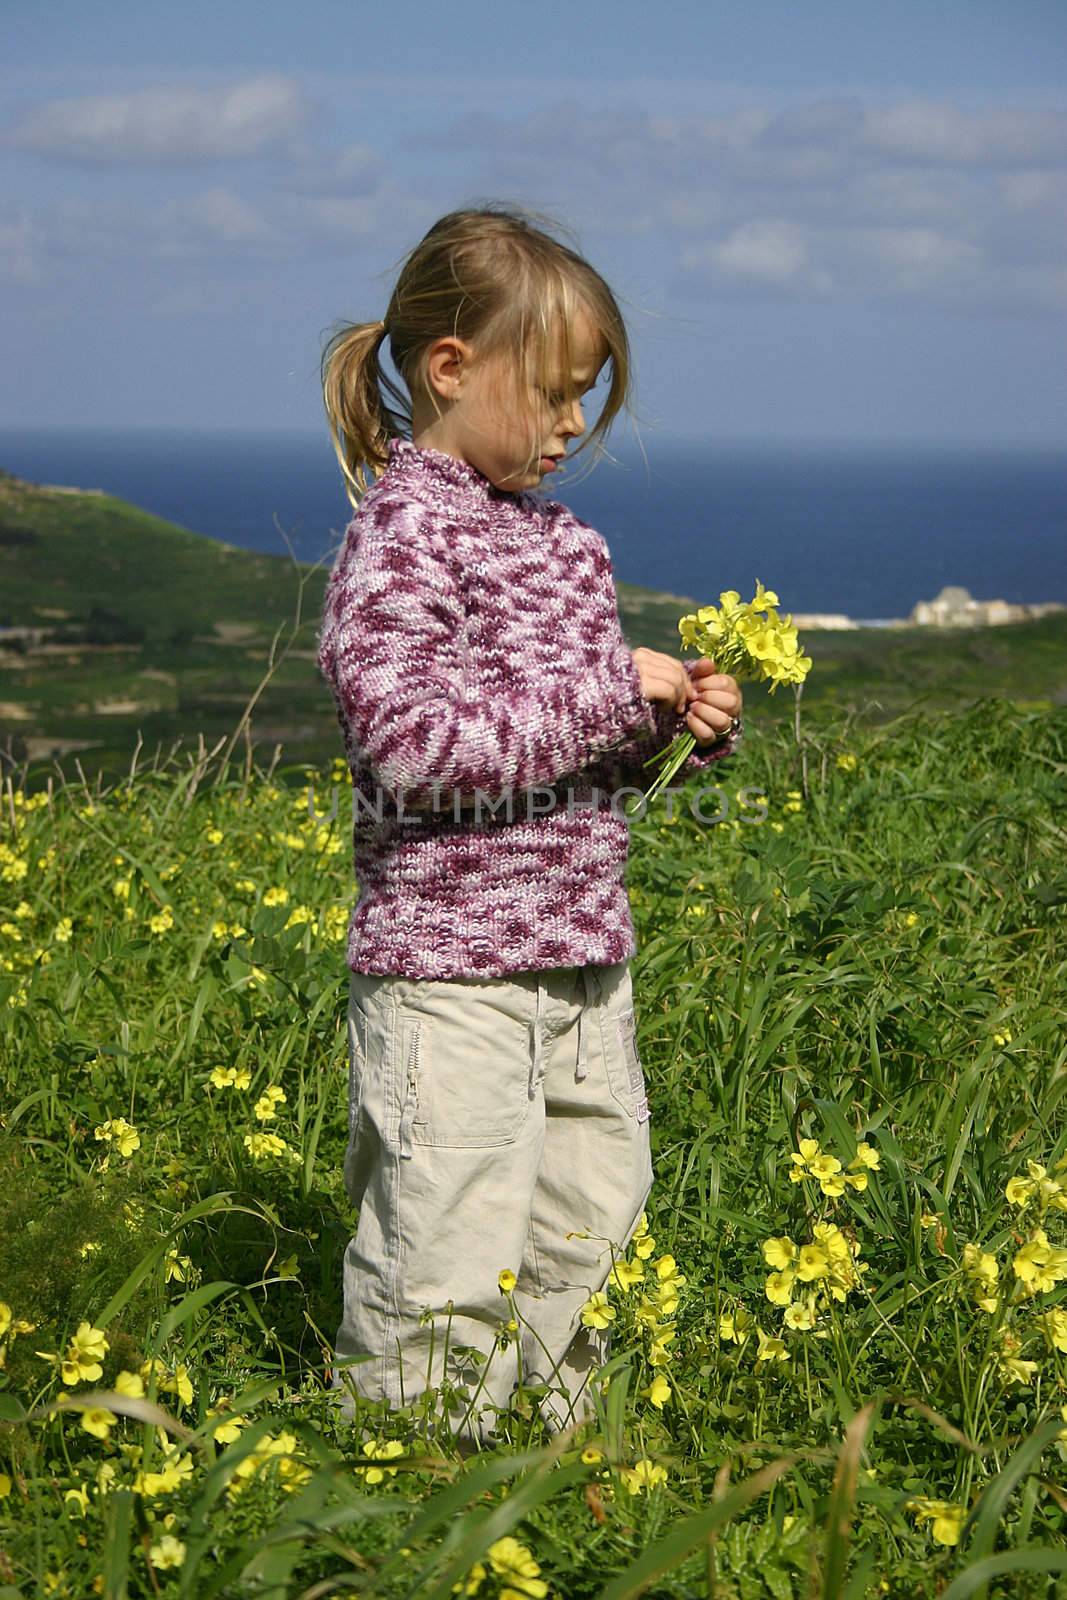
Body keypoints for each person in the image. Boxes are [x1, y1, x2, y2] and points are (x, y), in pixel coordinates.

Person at [315, 203, 743, 1453]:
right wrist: (616, 688)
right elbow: (413, 745)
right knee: (445, 1233)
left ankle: (551, 1470)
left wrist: (664, 725)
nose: (569, 429)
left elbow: (557, 740)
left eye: (585, 402)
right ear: (448, 367)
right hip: (448, 971)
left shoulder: (567, 545)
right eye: (553, 396)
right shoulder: (400, 534)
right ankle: (402, 1478)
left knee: (584, 1220)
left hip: (578, 961)